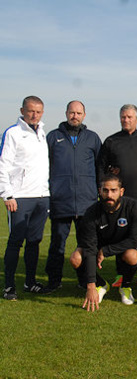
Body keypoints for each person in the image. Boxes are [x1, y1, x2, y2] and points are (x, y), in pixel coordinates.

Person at [45, 100, 101, 291]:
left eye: (78, 113)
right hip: (61, 201)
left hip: (87, 203)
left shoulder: (92, 138)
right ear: (66, 113)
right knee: (57, 244)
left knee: (86, 245)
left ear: (84, 115)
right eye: (71, 112)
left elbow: (99, 168)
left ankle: (84, 280)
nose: (74, 116)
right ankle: (54, 281)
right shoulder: (53, 137)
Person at [0, 96, 50, 300]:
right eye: (30, 111)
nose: (34, 115)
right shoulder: (13, 133)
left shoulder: (43, 133)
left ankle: (30, 282)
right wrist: (8, 195)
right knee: (15, 242)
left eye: (38, 111)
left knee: (34, 241)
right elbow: (3, 164)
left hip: (41, 196)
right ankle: (9, 286)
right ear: (22, 110)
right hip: (20, 198)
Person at [97, 104, 137, 289]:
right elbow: (101, 168)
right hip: (118, 202)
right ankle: (121, 275)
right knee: (120, 237)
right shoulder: (111, 141)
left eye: (129, 117)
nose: (126, 120)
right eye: (123, 117)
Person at [71, 175, 137, 311]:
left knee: (133, 255)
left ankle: (125, 286)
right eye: (105, 190)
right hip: (97, 244)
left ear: (121, 191)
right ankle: (101, 284)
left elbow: (135, 240)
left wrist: (106, 251)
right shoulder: (92, 212)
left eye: (114, 190)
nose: (109, 195)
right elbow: (90, 248)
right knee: (76, 258)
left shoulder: (134, 206)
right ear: (100, 191)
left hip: (122, 245)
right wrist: (90, 285)